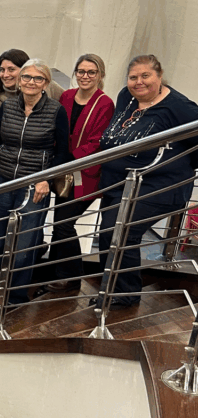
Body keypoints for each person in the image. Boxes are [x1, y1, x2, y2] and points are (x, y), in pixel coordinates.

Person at [95, 54, 198, 308]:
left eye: (145, 76)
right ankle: (109, 290)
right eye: (133, 77)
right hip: (119, 183)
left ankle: (125, 296)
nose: (138, 82)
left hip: (156, 187)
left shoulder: (179, 107)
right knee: (108, 234)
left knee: (123, 233)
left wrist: (175, 166)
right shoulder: (126, 97)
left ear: (159, 76)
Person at [0, 60, 71, 305]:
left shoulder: (56, 110)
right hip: (2, 181)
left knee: (24, 246)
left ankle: (15, 295)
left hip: (34, 186)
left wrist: (46, 179)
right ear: (19, 81)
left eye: (38, 78)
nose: (31, 82)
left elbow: (62, 152)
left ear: (46, 83)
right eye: (27, 77)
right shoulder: (8, 106)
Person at [45, 54, 115, 293]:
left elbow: (99, 141)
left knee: (64, 223)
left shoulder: (105, 103)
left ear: (100, 75)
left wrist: (70, 158)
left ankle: (72, 276)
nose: (85, 76)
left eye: (91, 72)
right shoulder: (65, 96)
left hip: (85, 173)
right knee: (58, 222)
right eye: (81, 71)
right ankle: (55, 272)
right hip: (62, 171)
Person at [0, 49, 65, 120]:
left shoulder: (47, 85)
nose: (5, 75)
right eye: (2, 70)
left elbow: (68, 101)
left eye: (11, 69)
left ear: (24, 70)